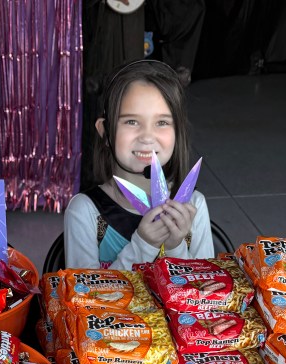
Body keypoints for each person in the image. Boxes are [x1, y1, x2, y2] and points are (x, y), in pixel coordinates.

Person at [64, 58, 212, 270]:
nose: (147, 137)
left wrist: (175, 247)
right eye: (132, 122)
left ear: (177, 133)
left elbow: (207, 296)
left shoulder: (194, 206)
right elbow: (84, 299)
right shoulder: (85, 211)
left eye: (162, 123)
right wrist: (143, 245)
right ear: (105, 132)